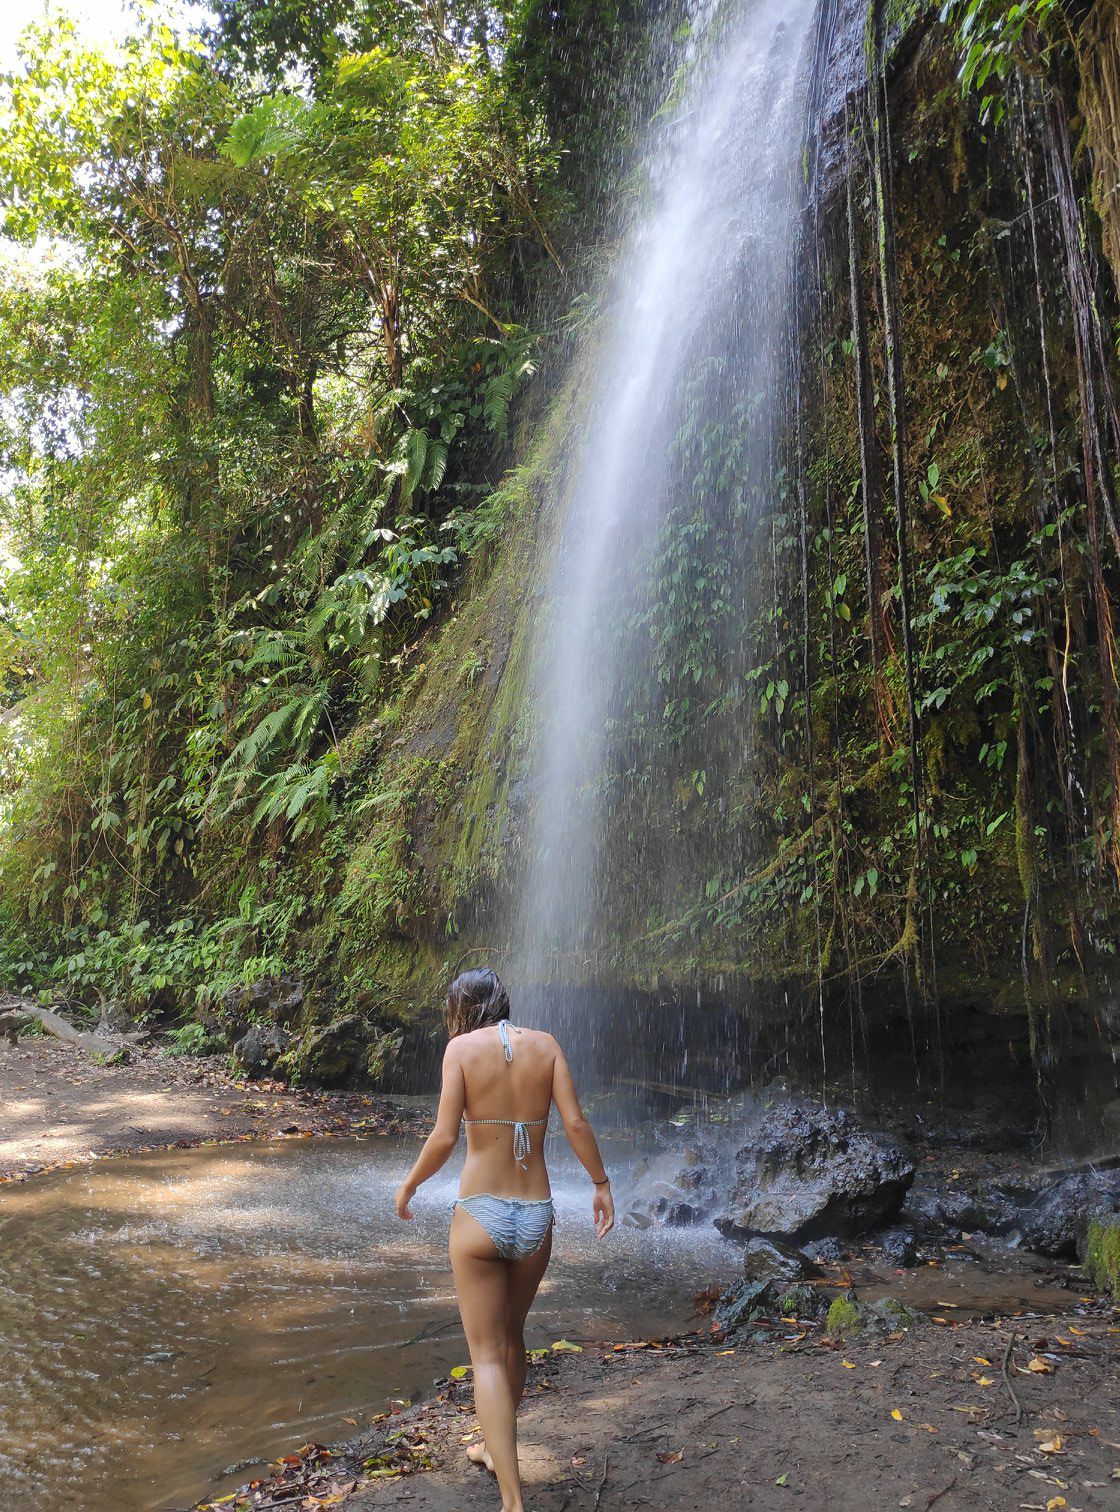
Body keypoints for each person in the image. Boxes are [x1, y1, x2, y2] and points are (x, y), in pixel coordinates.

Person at [395, 967, 615, 1512]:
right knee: (512, 1335)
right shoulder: (547, 1046)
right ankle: (494, 1449)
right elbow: (576, 1123)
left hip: (480, 1214)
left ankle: (512, 1501)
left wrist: (410, 1183)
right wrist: (600, 1184)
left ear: (461, 1010)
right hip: (537, 1215)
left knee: (488, 1357)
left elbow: (445, 1135)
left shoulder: (460, 1051)